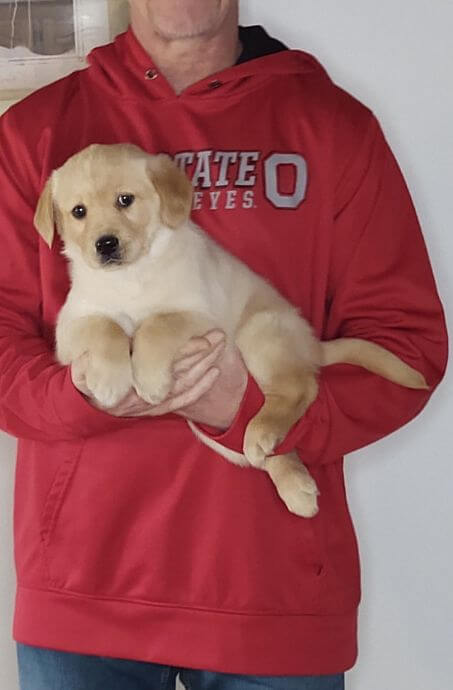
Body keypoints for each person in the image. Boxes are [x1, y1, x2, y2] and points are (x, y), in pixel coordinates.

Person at [0, 1, 447, 688]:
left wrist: (256, 407)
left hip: (272, 599)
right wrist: (87, 391)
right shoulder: (35, 135)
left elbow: (407, 347)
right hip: (85, 597)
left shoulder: (331, 128)